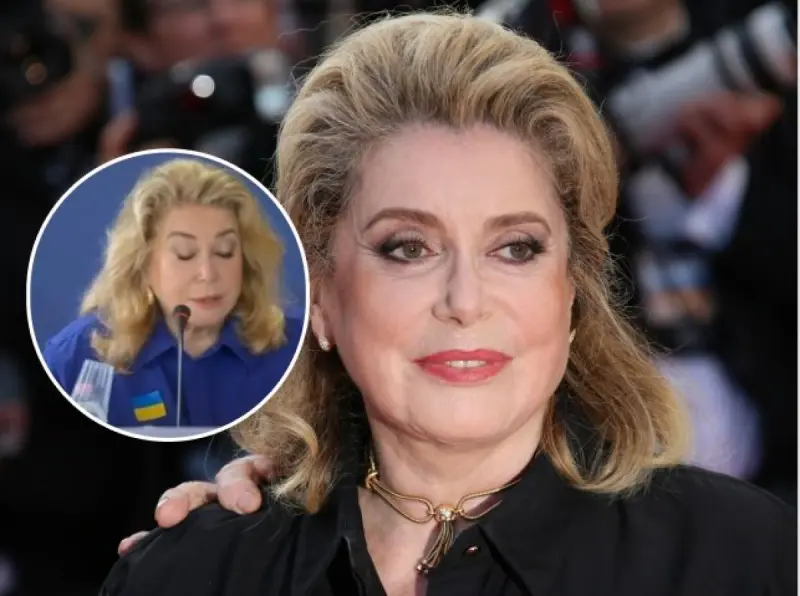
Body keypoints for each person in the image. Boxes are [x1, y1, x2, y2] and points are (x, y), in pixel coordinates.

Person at [104, 11, 794, 596]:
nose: (465, 302)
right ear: (320, 295)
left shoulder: (743, 559)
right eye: (408, 248)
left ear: (572, 289)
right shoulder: (191, 573)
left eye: (516, 248)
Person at [42, 158, 304, 429]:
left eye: (225, 251)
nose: (208, 273)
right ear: (143, 265)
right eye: (184, 254)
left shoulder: (300, 347)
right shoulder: (75, 357)